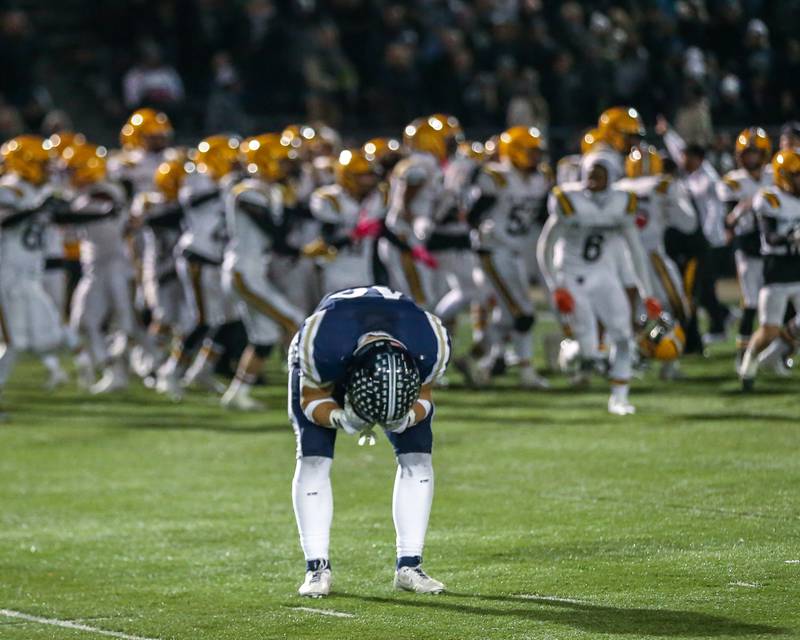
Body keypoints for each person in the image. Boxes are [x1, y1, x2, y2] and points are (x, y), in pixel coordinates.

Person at [289, 285, 450, 597]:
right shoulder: (321, 344)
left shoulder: (429, 343)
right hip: (331, 363)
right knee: (313, 458)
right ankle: (316, 567)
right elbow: (311, 397)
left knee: (418, 459)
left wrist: (407, 415)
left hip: (393, 351)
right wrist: (340, 418)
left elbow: (425, 394)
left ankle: (410, 565)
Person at [538, 153, 661, 415]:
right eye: (590, 171)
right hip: (572, 276)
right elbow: (546, 245)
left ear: (612, 174)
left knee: (624, 337)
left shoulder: (622, 201)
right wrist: (555, 286)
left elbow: (636, 250)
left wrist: (647, 292)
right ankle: (571, 350)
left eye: (600, 172)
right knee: (590, 353)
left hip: (604, 275)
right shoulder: (569, 199)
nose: (593, 177)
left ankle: (619, 398)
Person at [739, 149, 800, 390]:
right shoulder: (769, 198)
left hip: (798, 267)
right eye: (797, 175)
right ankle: (749, 363)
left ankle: (774, 356)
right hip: (777, 272)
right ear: (784, 175)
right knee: (769, 330)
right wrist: (793, 237)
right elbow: (770, 237)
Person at [716, 128, 773, 368]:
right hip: (748, 243)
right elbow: (728, 220)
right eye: (747, 153)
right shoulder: (733, 181)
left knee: (780, 301)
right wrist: (748, 205)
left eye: (755, 153)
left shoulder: (775, 174)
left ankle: (775, 354)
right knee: (751, 302)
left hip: (773, 244)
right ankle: (743, 355)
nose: (751, 158)